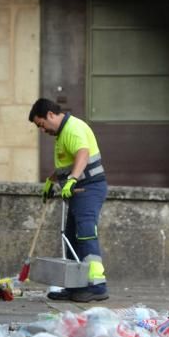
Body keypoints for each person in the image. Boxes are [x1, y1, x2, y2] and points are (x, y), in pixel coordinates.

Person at [28, 98, 108, 303]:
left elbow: (82, 154)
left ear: (50, 115)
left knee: (86, 234)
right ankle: (75, 285)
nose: (42, 130)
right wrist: (51, 180)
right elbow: (67, 164)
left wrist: (72, 180)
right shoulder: (64, 133)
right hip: (79, 190)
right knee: (72, 237)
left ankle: (97, 285)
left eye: (41, 124)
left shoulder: (72, 130)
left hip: (88, 188)